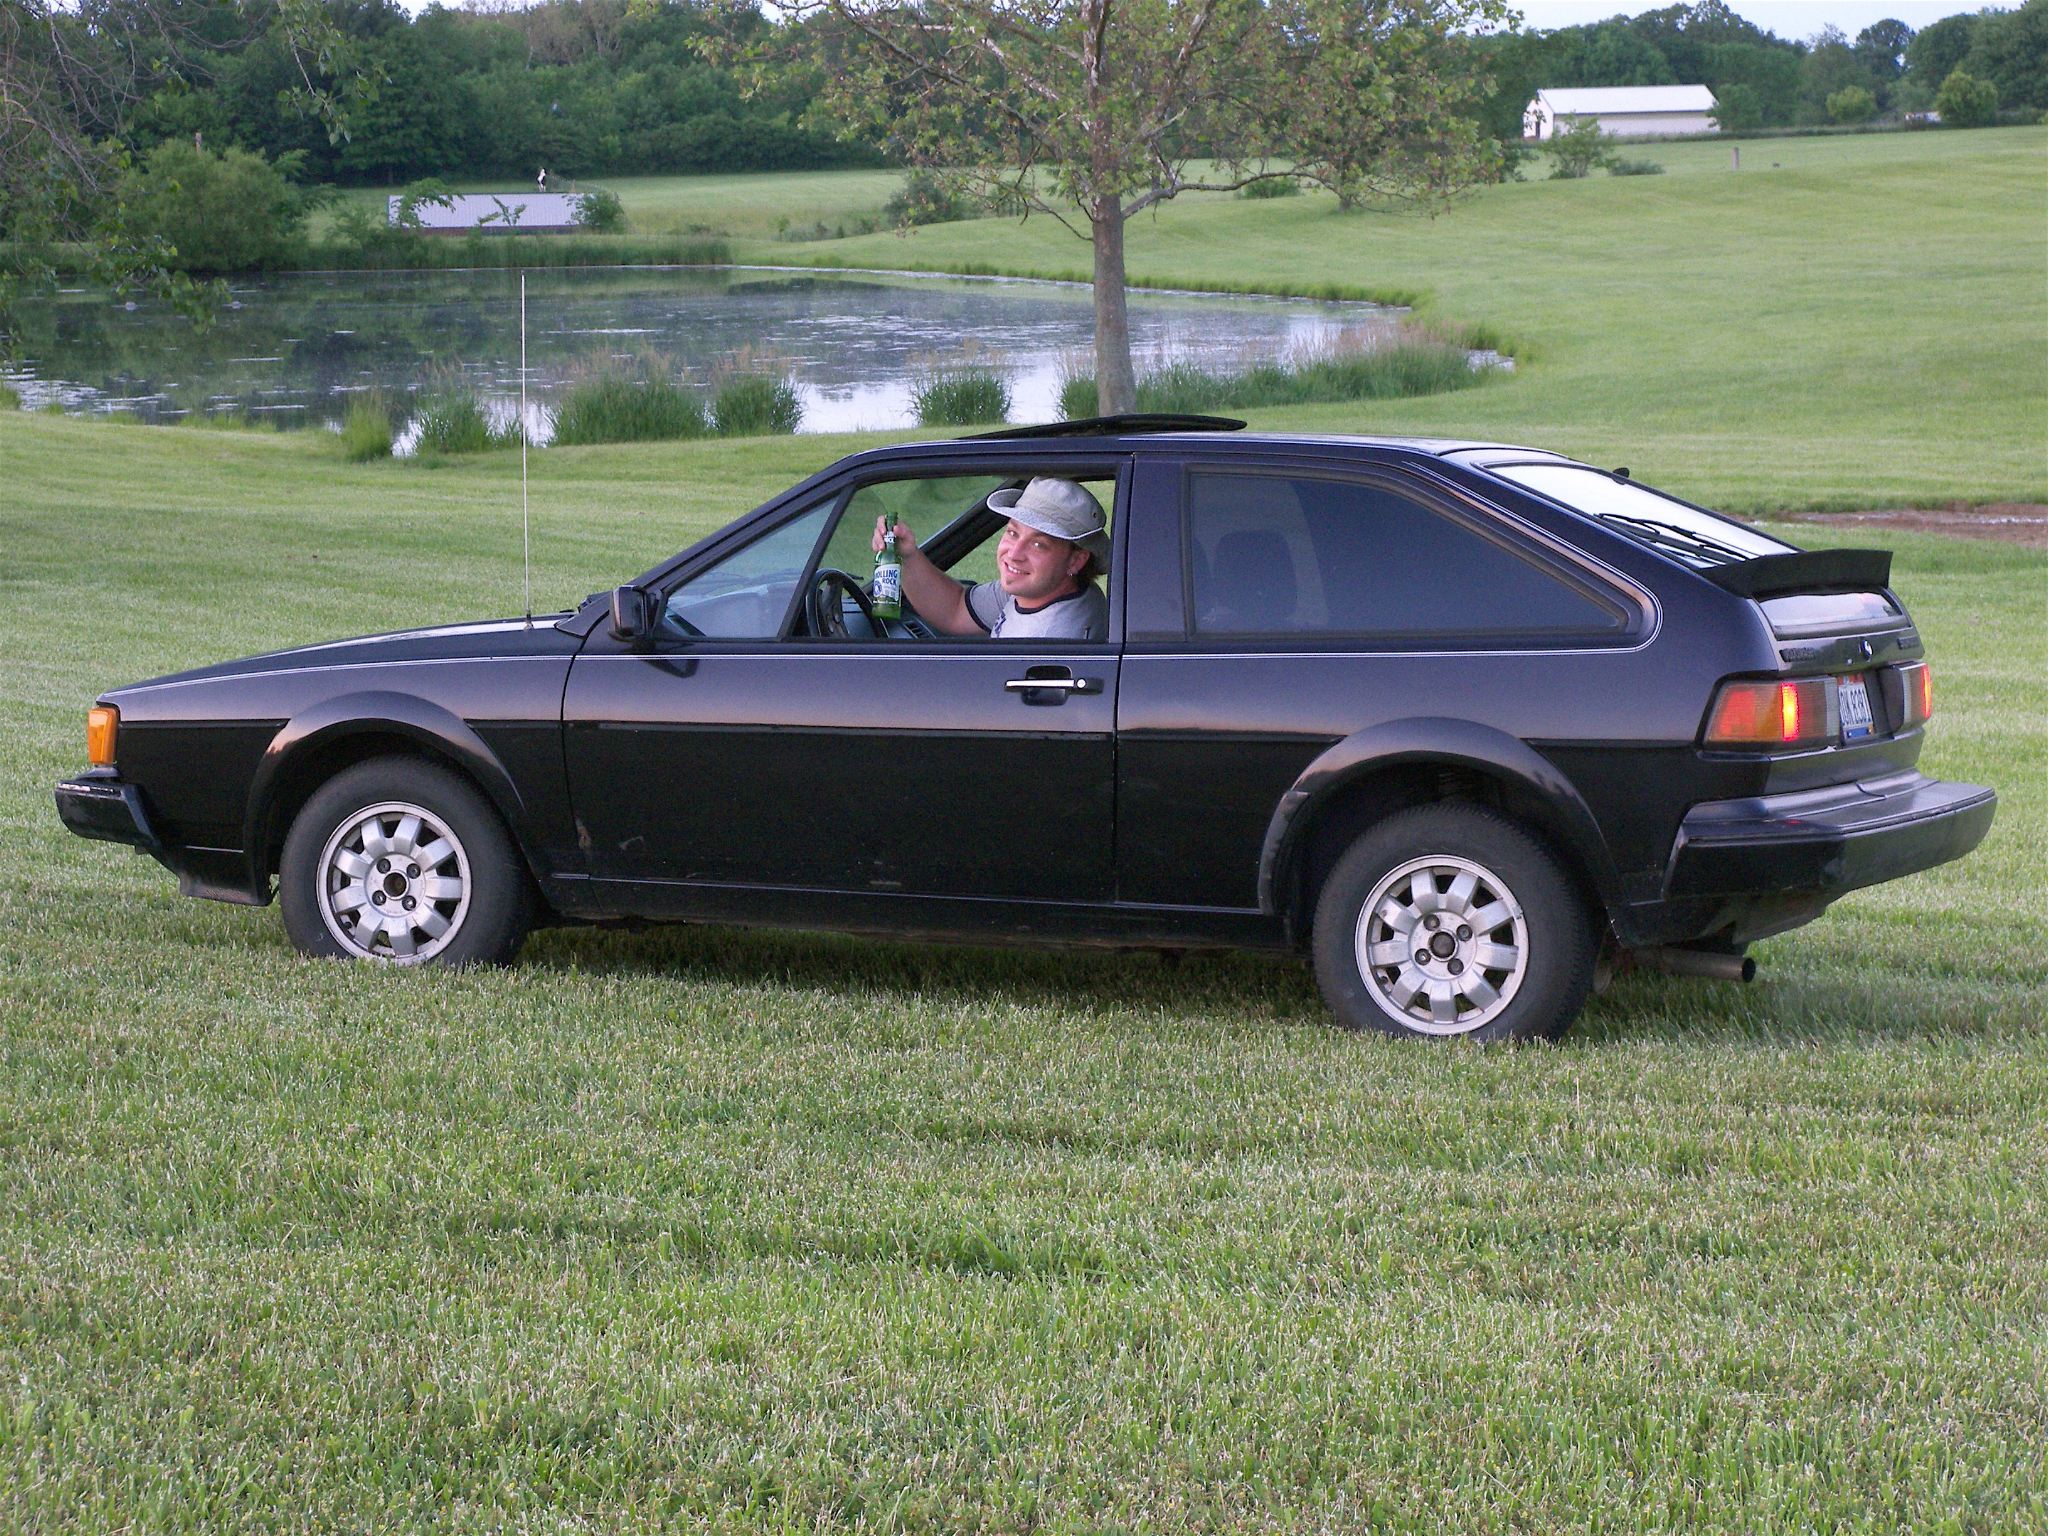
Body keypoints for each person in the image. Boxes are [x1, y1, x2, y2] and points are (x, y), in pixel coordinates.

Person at [874, 478, 1109, 640]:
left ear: (1075, 561)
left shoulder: (1046, 640)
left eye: (1039, 544)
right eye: (1013, 532)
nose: (1014, 553)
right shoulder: (1045, 591)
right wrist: (908, 555)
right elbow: (956, 609)